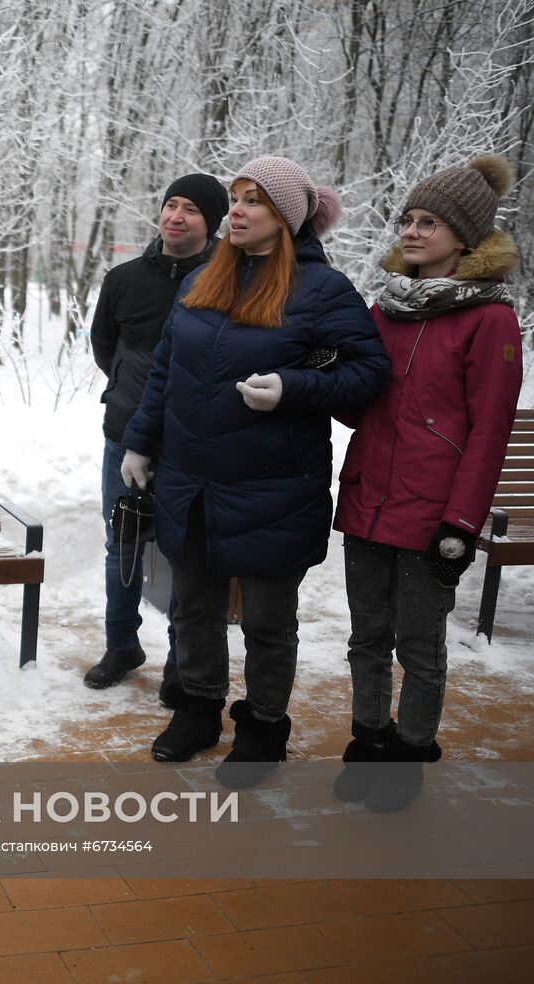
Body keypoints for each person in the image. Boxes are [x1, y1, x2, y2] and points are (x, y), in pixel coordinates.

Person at [120, 156, 389, 788]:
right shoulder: (203, 280)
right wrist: (141, 442)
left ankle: (265, 726)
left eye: (254, 201)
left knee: (268, 622)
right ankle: (199, 709)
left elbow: (370, 374)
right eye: (235, 198)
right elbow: (166, 370)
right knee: (194, 610)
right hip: (192, 481)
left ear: (288, 218)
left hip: (275, 488)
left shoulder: (323, 290)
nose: (236, 211)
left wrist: (293, 387)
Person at [332, 155, 522, 812]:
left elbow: (489, 431)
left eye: (429, 222)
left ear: (464, 237)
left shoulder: (491, 319)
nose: (411, 231)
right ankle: (368, 741)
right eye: (409, 219)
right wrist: (330, 371)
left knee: (417, 642)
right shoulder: (387, 309)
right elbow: (362, 407)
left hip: (432, 514)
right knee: (365, 638)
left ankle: (410, 752)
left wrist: (461, 524)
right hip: (366, 501)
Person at [88, 173, 229, 705]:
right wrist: (131, 391)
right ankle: (121, 645)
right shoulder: (123, 278)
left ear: (210, 223)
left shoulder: (226, 279)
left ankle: (181, 660)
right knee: (121, 545)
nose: (175, 216)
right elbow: (106, 347)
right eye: (171, 204)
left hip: (193, 443)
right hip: (123, 436)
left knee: (185, 555)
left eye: (191, 209)